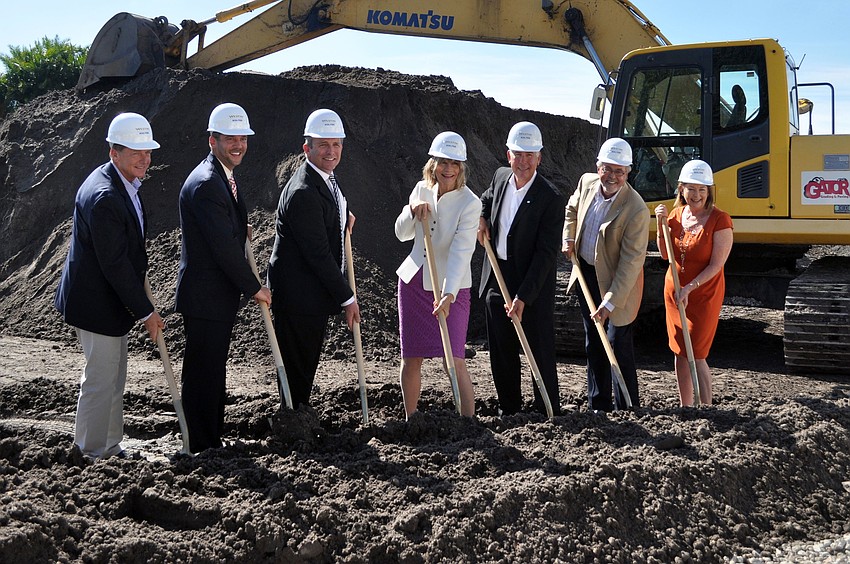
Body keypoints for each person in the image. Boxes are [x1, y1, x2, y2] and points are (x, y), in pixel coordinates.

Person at [55, 112, 165, 459]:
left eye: (147, 151)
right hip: (95, 303)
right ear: (113, 152)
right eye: (136, 152)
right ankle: (89, 452)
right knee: (101, 381)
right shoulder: (105, 196)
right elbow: (114, 265)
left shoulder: (122, 182)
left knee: (114, 378)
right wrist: (146, 312)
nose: (145, 158)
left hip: (108, 301)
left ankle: (110, 445)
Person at [174, 103, 272, 453]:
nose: (238, 144)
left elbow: (221, 229)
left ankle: (211, 437)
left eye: (242, 138)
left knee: (213, 370)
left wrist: (235, 226)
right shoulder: (206, 183)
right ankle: (200, 444)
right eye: (230, 138)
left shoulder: (221, 175)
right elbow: (222, 250)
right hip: (206, 296)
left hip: (215, 296)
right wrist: (254, 288)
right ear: (211, 140)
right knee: (203, 373)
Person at [268, 109, 360, 409]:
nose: (331, 152)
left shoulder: (323, 178)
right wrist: (347, 298)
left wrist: (339, 217)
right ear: (307, 148)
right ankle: (293, 425)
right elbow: (318, 254)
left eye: (336, 145)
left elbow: (325, 215)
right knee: (297, 371)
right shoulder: (304, 191)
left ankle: (297, 415)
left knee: (304, 367)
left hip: (308, 295)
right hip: (298, 298)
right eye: (324, 145)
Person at [477, 121, 564, 416]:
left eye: (530, 155)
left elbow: (546, 254)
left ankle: (547, 411)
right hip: (497, 276)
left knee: (538, 349)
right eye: (518, 154)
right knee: (502, 351)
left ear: (539, 157)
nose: (523, 162)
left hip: (532, 284)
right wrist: (482, 216)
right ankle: (510, 409)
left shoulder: (550, 198)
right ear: (508, 155)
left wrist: (524, 296)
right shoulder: (501, 177)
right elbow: (487, 198)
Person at [395, 132, 481, 418]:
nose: (448, 169)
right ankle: (411, 420)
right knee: (411, 357)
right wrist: (411, 211)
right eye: (443, 161)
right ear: (433, 164)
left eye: (454, 163)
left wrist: (448, 294)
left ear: (462, 167)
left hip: (452, 287)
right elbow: (401, 233)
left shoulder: (470, 203)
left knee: (454, 360)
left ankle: (468, 424)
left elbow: (461, 251)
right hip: (414, 282)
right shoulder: (420, 188)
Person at [563, 137, 649, 412]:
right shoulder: (586, 183)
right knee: (594, 342)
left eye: (619, 171)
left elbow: (630, 263)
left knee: (616, 342)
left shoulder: (636, 209)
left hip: (618, 283)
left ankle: (627, 409)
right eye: (607, 169)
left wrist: (609, 302)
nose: (612, 176)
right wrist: (568, 238)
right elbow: (572, 209)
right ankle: (597, 406)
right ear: (598, 166)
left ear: (628, 173)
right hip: (586, 271)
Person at [654, 160, 733, 406]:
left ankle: (707, 408)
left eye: (702, 189)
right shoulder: (676, 215)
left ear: (709, 191)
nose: (696, 195)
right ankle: (686, 406)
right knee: (679, 351)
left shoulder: (720, 220)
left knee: (697, 353)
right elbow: (666, 255)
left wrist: (690, 288)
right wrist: (660, 224)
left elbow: (716, 265)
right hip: (675, 292)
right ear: (681, 190)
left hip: (703, 294)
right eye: (691, 188)